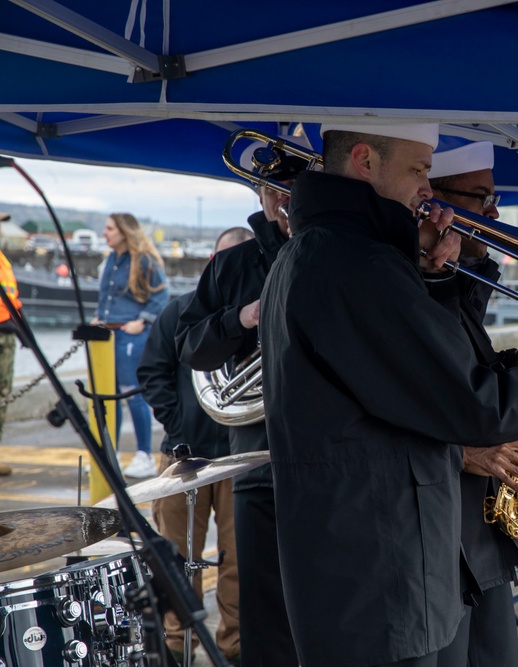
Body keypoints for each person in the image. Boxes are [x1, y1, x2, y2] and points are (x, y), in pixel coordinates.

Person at [258, 121, 518, 667]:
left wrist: (434, 279)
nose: (426, 190)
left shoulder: (332, 253)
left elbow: (410, 383)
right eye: (419, 169)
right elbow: (476, 407)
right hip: (380, 572)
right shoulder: (358, 263)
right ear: (365, 160)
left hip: (369, 565)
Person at [176, 138, 307, 667]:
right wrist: (245, 318)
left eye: (295, 185)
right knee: (264, 618)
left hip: (336, 464)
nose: (284, 197)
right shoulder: (231, 267)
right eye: (273, 186)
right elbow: (190, 347)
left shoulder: (347, 255)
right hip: (256, 465)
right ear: (258, 190)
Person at [426, 140, 518, 667]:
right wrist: (463, 452)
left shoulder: (454, 278)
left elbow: (465, 374)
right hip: (438, 538)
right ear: (434, 201)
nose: (495, 213)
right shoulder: (403, 283)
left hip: (480, 529)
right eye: (483, 198)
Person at [137, 226, 253, 665]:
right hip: (182, 458)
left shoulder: (258, 313)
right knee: (173, 558)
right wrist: (179, 423)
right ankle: (174, 646)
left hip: (239, 458)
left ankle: (233, 648)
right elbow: (152, 373)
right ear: (212, 263)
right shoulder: (179, 310)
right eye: (226, 262)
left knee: (238, 563)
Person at [95, 212, 169, 479]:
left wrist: (143, 321)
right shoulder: (111, 260)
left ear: (124, 232)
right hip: (107, 336)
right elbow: (106, 297)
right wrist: (99, 317)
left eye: (110, 228)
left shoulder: (145, 261)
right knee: (108, 396)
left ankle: (144, 455)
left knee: (133, 395)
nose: (105, 233)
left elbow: (161, 296)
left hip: (129, 336)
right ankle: (110, 451)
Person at [0, 241, 21, 474]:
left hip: (6, 332)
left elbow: (11, 296)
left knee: (3, 393)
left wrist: (19, 324)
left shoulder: (3, 259)